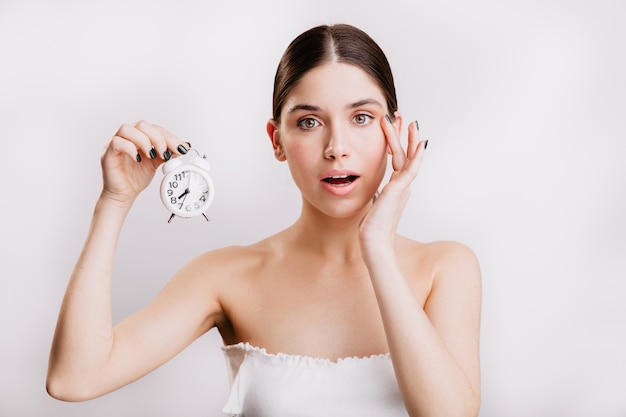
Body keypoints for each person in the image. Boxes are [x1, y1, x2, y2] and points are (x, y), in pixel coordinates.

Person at [46, 23, 482, 417]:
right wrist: (114, 201)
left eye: (362, 117)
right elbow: (74, 379)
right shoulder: (226, 275)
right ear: (277, 140)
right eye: (309, 122)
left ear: (394, 131)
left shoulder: (446, 269)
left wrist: (378, 249)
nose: (337, 147)